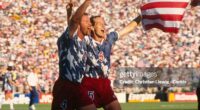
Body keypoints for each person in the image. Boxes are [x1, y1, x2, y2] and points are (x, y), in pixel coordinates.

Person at [82, 14, 141, 110]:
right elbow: (73, 30)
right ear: (92, 27)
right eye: (100, 24)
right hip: (88, 83)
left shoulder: (109, 39)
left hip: (104, 83)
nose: (103, 26)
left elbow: (129, 28)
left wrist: (142, 16)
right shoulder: (86, 40)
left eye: (103, 23)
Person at [51, 0, 97, 110]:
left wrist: (69, 13)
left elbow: (72, 23)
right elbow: (74, 21)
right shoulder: (69, 37)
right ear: (79, 25)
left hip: (78, 87)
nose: (90, 24)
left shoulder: (81, 40)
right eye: (86, 21)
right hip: (65, 87)